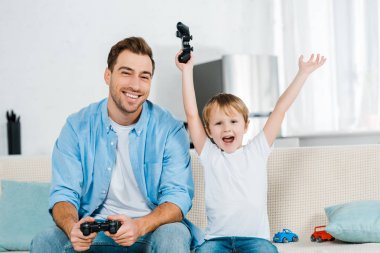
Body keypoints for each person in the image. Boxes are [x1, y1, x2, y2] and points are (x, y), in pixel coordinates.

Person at [31, 37, 202, 253]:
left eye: (144, 76)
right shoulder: (77, 127)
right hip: (95, 233)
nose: (135, 85)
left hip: (150, 231)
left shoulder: (169, 129)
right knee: (46, 240)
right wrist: (72, 227)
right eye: (126, 72)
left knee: (173, 236)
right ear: (108, 75)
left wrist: (139, 226)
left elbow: (178, 198)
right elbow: (64, 194)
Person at [176, 51, 326, 253]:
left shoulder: (257, 150)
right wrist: (186, 71)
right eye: (219, 123)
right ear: (209, 131)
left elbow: (280, 109)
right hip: (216, 241)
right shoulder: (210, 155)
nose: (227, 128)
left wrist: (303, 73)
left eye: (233, 122)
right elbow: (192, 115)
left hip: (255, 240)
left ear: (246, 126)